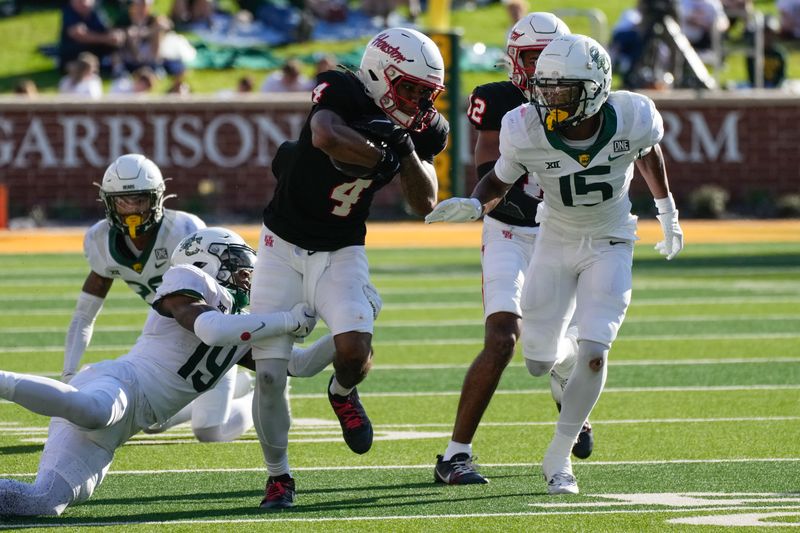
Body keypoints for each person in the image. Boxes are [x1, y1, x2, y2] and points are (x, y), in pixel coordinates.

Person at [426, 34, 684, 495]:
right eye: (546, 89)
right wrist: (473, 204)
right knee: (539, 359)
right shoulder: (525, 126)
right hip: (555, 238)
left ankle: (558, 457)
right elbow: (499, 177)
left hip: (611, 238)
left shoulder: (633, 115)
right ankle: (566, 362)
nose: (551, 100)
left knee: (596, 348)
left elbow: (648, 152)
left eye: (563, 91)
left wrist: (667, 212)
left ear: (596, 87)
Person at [250, 27, 448, 509]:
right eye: (410, 88)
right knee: (271, 375)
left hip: (342, 248)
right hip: (282, 245)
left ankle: (341, 392)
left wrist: (402, 148)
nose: (419, 102)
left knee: (355, 352)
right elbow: (325, 136)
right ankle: (279, 475)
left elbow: (423, 202)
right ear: (380, 75)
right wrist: (379, 149)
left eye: (426, 93)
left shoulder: (418, 129)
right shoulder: (341, 88)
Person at [0, 227, 328, 517]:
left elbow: (300, 365)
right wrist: (287, 320)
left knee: (42, 503)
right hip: (121, 384)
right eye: (238, 260)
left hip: (121, 432)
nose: (248, 272)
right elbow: (210, 329)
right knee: (96, 411)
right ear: (207, 260)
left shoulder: (241, 325)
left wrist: (346, 338)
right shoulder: (189, 278)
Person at [433, 12, 594, 486]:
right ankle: (454, 455)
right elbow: (492, 169)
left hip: (561, 232)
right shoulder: (499, 99)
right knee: (503, 338)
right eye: (532, 57)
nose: (542, 67)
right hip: (509, 230)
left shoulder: (588, 100)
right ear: (513, 60)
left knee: (567, 345)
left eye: (549, 57)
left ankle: (565, 378)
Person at [61, 154, 246, 443]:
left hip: (212, 341)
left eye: (140, 200)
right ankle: (235, 388)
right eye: (124, 201)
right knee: (152, 422)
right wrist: (69, 375)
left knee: (209, 431)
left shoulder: (184, 231)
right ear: (109, 203)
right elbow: (84, 315)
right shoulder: (100, 241)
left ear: (157, 199)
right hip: (175, 344)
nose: (132, 209)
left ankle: (252, 396)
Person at [59, 0, 125, 72]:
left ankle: (118, 69)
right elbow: (78, 35)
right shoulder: (69, 11)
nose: (84, 4)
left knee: (115, 42)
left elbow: (108, 28)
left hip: (96, 49)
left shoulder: (96, 10)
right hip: (74, 52)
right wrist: (105, 39)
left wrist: (115, 35)